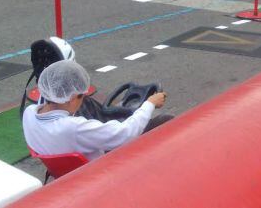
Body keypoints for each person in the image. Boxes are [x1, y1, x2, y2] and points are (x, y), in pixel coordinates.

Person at [23, 59, 172, 161]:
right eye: (82, 96)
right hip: (97, 170)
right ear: (71, 97)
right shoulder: (73, 128)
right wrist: (149, 103)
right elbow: (125, 133)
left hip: (66, 170)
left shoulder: (29, 113)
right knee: (166, 120)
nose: (83, 101)